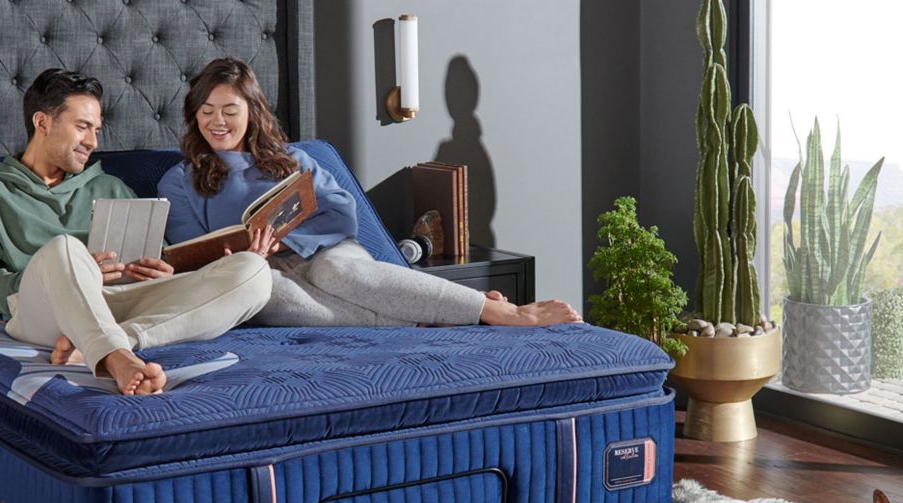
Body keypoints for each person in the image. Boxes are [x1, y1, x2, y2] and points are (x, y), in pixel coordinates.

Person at [157, 58, 583, 328]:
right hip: (256, 273)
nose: (217, 122)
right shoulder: (178, 180)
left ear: (252, 114)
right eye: (206, 112)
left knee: (337, 274)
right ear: (194, 117)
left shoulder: (293, 159)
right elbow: (194, 253)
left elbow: (343, 213)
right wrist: (246, 256)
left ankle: (501, 311)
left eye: (229, 112)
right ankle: (438, 316)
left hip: (324, 253)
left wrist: (287, 239)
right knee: (269, 295)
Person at [0, 69, 273, 395]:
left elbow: (160, 259)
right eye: (83, 127)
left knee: (254, 271)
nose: (93, 142)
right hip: (46, 312)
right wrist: (73, 275)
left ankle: (107, 343)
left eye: (96, 130)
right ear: (43, 123)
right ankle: (118, 359)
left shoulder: (111, 187)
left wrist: (162, 270)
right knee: (65, 249)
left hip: (123, 305)